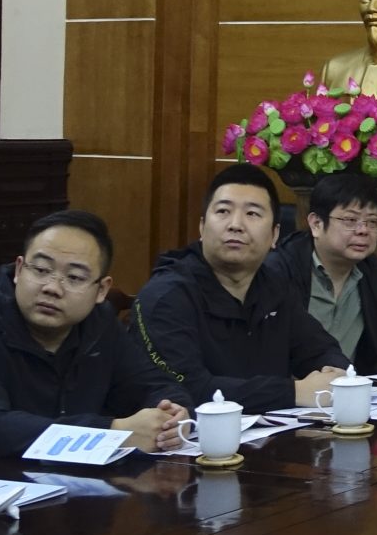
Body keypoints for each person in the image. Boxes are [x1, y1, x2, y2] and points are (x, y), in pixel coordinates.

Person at [0, 209, 187, 457]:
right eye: (41, 270)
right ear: (19, 269)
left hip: (75, 483)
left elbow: (157, 386)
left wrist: (172, 417)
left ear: (101, 291)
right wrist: (112, 433)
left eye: (74, 278)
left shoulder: (100, 324)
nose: (52, 288)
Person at [124, 163, 349, 412]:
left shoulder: (273, 285)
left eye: (252, 214)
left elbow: (321, 349)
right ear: (201, 227)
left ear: (274, 235)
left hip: (269, 432)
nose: (235, 224)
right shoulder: (165, 297)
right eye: (223, 211)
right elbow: (189, 390)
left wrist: (334, 374)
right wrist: (293, 392)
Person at [281, 174, 377, 373]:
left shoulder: (370, 269)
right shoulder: (283, 269)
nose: (363, 230)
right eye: (350, 220)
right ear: (316, 224)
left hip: (354, 387)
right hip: (297, 389)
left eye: (372, 222)